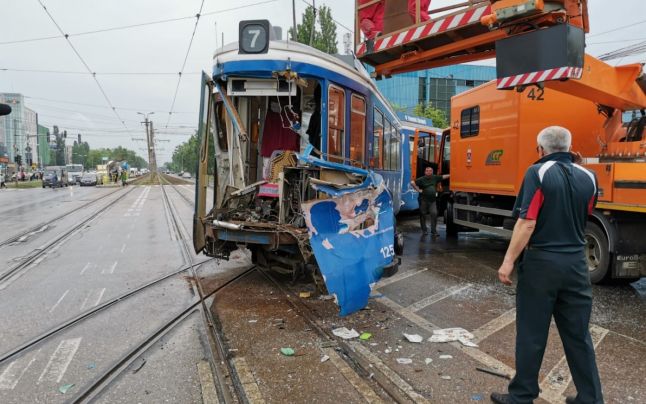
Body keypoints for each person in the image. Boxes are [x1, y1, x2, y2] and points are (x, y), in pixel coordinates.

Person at [491, 126, 603, 404]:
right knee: (578, 334)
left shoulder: (536, 172)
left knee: (532, 332)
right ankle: (590, 398)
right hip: (576, 264)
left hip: (542, 263)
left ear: (540, 149)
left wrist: (508, 261)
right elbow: (585, 212)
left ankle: (522, 395)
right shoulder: (590, 176)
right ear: (569, 147)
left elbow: (527, 222)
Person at [411, 166, 448, 236]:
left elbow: (443, 177)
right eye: (427, 171)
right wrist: (418, 190)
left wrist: (451, 174)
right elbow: (412, 182)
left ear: (432, 172)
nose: (429, 172)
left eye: (430, 171)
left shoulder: (435, 177)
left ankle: (433, 231)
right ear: (425, 172)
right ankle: (424, 230)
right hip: (423, 200)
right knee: (423, 214)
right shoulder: (421, 179)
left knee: (434, 213)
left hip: (432, 201)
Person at [306, 84, 322, 154]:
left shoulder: (315, 115)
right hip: (317, 151)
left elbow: (310, 135)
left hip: (315, 150)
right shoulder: (317, 115)